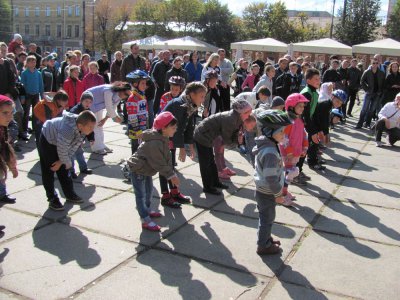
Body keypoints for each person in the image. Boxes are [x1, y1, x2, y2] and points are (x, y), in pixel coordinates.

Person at [127, 112, 180, 231]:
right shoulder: (155, 142)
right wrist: (171, 175)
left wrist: (172, 172)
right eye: (173, 127)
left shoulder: (163, 138)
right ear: (163, 128)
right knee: (140, 195)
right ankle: (145, 219)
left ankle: (147, 211)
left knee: (149, 191)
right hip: (138, 169)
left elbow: (166, 158)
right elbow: (159, 162)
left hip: (146, 169)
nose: (175, 129)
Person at [38, 110, 96, 211]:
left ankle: (69, 194)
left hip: (61, 143)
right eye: (90, 127)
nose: (92, 130)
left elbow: (73, 147)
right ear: (81, 125)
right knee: (50, 169)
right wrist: (66, 162)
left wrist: (63, 162)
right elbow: (62, 148)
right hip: (48, 139)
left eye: (93, 127)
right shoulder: (68, 130)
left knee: (64, 169)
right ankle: (52, 198)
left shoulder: (82, 129)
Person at [253, 109, 292, 255]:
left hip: (263, 190)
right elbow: (270, 177)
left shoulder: (268, 145)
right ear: (270, 132)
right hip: (268, 191)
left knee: (267, 217)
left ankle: (266, 238)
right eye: (281, 132)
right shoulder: (269, 152)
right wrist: (278, 194)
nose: (284, 134)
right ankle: (263, 246)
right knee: (267, 219)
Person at [194, 98, 252, 195]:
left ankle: (215, 182)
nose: (248, 116)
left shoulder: (237, 118)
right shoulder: (230, 119)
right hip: (202, 135)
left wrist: (238, 139)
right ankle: (207, 187)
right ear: (241, 112)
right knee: (206, 163)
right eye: (247, 113)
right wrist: (237, 141)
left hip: (209, 136)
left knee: (211, 162)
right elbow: (227, 139)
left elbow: (233, 135)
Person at [161, 82, 206, 206]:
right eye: (201, 96)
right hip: (163, 137)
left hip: (171, 136)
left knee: (170, 166)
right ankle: (165, 196)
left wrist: (190, 145)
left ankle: (174, 192)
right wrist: (181, 148)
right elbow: (178, 128)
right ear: (192, 94)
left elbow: (189, 127)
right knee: (165, 167)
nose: (203, 100)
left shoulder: (190, 105)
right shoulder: (179, 104)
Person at [279, 94, 309, 205]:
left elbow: (304, 134)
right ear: (291, 106)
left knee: (290, 173)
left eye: (303, 106)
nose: (302, 108)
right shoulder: (288, 121)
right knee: (289, 173)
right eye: (300, 106)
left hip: (296, 152)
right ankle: (282, 195)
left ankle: (284, 191)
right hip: (288, 153)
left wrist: (305, 147)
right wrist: (290, 152)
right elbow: (284, 138)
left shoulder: (299, 120)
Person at [293, 68, 321, 185]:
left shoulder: (313, 92)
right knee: (300, 150)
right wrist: (312, 132)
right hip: (299, 125)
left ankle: (298, 171)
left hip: (305, 125)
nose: (318, 81)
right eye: (316, 79)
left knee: (304, 149)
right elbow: (305, 114)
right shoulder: (307, 93)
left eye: (319, 79)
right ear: (308, 80)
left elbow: (312, 114)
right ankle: (294, 174)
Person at [87, 82, 130, 154]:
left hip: (98, 104)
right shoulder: (109, 91)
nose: (126, 97)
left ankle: (101, 145)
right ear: (121, 90)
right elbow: (109, 106)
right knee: (96, 126)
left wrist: (105, 119)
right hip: (90, 101)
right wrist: (115, 117)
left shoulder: (118, 96)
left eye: (127, 96)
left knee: (99, 125)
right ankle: (97, 147)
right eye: (126, 94)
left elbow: (113, 107)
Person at [69, 91, 95, 178]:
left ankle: (83, 168)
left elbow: (90, 126)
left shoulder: (89, 112)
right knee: (71, 154)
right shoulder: (74, 111)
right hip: (72, 137)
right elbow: (72, 126)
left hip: (80, 138)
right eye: (86, 101)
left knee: (80, 153)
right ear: (81, 101)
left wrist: (91, 138)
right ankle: (71, 170)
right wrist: (77, 138)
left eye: (90, 102)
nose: (88, 104)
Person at [125, 70, 150, 154]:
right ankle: (133, 166)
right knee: (136, 151)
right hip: (136, 130)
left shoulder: (142, 95)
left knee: (142, 150)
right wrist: (137, 130)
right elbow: (132, 117)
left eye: (145, 83)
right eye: (142, 83)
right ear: (135, 84)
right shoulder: (132, 98)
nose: (145, 85)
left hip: (143, 127)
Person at [355, 59, 385, 129]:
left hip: (377, 94)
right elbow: (362, 81)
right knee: (364, 109)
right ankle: (360, 123)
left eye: (376, 63)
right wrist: (366, 89)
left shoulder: (381, 73)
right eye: (373, 63)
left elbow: (383, 83)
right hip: (369, 93)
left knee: (372, 110)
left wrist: (380, 92)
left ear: (378, 64)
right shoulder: (367, 72)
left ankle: (367, 123)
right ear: (371, 64)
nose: (375, 64)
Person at [0, 96, 18, 204]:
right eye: (5, 113)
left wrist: (12, 166)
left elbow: (6, 148)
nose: (9, 117)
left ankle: (2, 194)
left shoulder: (2, 128)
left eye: (11, 113)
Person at [20, 55, 44, 135]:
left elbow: (41, 85)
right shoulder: (24, 73)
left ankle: (35, 128)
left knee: (36, 112)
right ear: (27, 63)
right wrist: (22, 97)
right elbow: (22, 86)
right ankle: (25, 129)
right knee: (26, 113)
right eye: (31, 61)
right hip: (27, 95)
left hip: (36, 95)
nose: (33, 63)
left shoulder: (38, 73)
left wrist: (42, 95)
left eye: (34, 61)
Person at [151, 50, 171, 115]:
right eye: (166, 54)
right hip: (159, 85)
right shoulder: (158, 64)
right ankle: (153, 114)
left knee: (167, 101)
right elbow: (152, 74)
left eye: (168, 54)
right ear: (163, 55)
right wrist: (154, 82)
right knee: (157, 101)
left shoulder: (171, 65)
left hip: (168, 86)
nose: (167, 56)